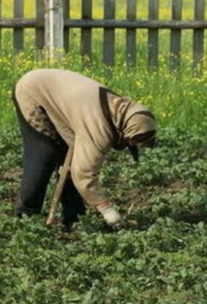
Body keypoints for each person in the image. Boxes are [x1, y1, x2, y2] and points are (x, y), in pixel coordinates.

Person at [12, 69, 157, 229]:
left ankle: (73, 217)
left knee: (71, 159)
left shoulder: (120, 111)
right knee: (45, 153)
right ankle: (26, 215)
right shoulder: (98, 129)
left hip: (58, 97)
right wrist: (107, 210)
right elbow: (84, 175)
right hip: (33, 91)